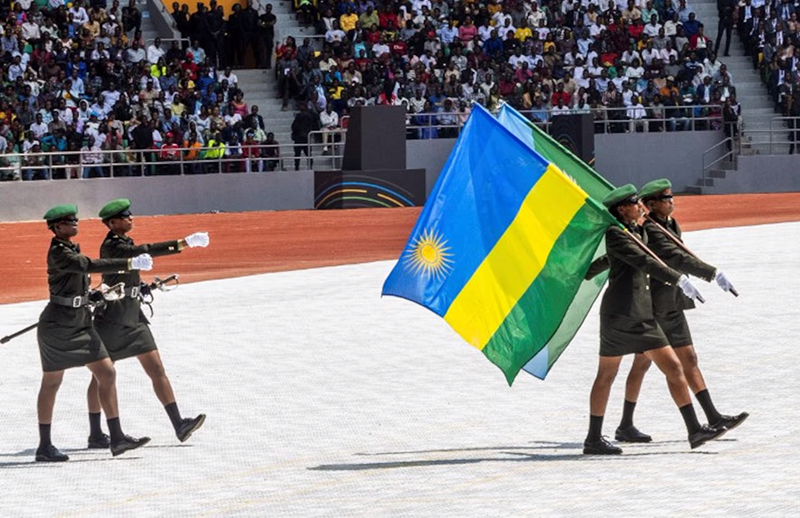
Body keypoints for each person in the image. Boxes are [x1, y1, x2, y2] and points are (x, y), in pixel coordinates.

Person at [583, 185, 727, 454]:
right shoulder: (615, 233)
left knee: (670, 367)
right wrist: (678, 279)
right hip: (625, 315)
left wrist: (587, 270)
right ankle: (593, 438)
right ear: (621, 209)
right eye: (634, 203)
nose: (640, 206)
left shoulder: (635, 231)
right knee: (609, 374)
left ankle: (694, 429)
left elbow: (614, 259)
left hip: (636, 314)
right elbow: (644, 261)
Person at [613, 179, 749, 443]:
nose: (671, 202)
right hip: (656, 308)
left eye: (671, 197)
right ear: (651, 204)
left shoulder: (669, 224)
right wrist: (712, 273)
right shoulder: (651, 232)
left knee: (676, 360)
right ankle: (628, 425)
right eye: (666, 199)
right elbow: (678, 258)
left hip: (671, 305)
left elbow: (682, 254)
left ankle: (711, 417)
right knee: (656, 364)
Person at [87, 199, 209, 447]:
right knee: (100, 378)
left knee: (156, 369)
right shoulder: (112, 246)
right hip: (112, 320)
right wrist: (184, 243)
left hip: (134, 317)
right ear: (113, 223)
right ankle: (96, 434)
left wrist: (140, 286)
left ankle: (179, 424)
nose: (131, 218)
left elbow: (127, 272)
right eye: (125, 216)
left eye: (130, 214)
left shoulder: (124, 242)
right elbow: (146, 250)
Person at [36, 204, 153, 462]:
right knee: (52, 382)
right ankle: (44, 446)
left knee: (106, 372)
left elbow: (74, 284)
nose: (75, 223)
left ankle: (116, 437)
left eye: (75, 219)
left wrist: (93, 295)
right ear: (57, 227)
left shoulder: (71, 248)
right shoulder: (59, 252)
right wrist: (130, 263)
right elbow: (87, 266)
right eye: (69, 221)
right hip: (58, 325)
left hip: (81, 323)